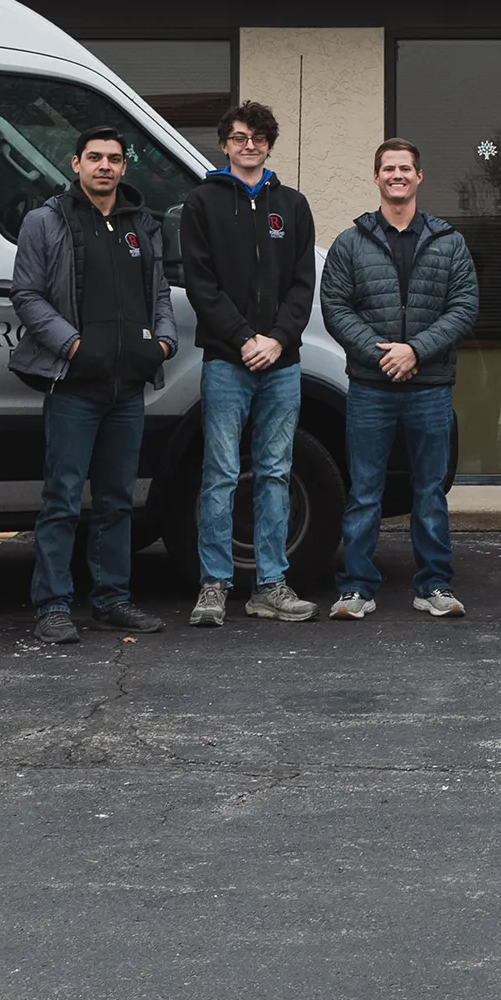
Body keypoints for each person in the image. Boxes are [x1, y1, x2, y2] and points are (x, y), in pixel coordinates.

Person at [9, 126, 176, 644]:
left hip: (127, 390)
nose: (105, 166)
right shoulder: (46, 221)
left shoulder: (142, 224)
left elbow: (160, 293)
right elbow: (27, 295)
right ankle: (53, 606)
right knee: (61, 499)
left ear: (124, 167)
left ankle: (112, 599)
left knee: (117, 501)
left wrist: (164, 343)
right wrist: (73, 346)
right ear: (75, 163)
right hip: (73, 386)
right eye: (95, 157)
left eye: (114, 159)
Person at [319, 138, 480, 620]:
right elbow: (335, 307)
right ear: (376, 177)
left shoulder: (448, 241)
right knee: (364, 491)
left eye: (405, 168)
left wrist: (416, 351)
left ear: (419, 177)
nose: (397, 175)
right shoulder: (350, 243)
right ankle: (356, 588)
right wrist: (383, 354)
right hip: (371, 387)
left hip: (430, 388)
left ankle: (434, 585)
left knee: (430, 493)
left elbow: (464, 307)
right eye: (388, 168)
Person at [181, 101, 320, 627]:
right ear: (225, 144)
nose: (249, 145)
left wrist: (277, 340)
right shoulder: (201, 203)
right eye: (240, 137)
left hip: (281, 364)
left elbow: (302, 286)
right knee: (219, 474)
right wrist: (243, 339)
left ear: (269, 145)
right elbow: (201, 285)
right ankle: (213, 586)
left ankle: (270, 585)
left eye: (259, 138)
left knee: (276, 473)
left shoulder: (293, 205)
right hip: (227, 360)